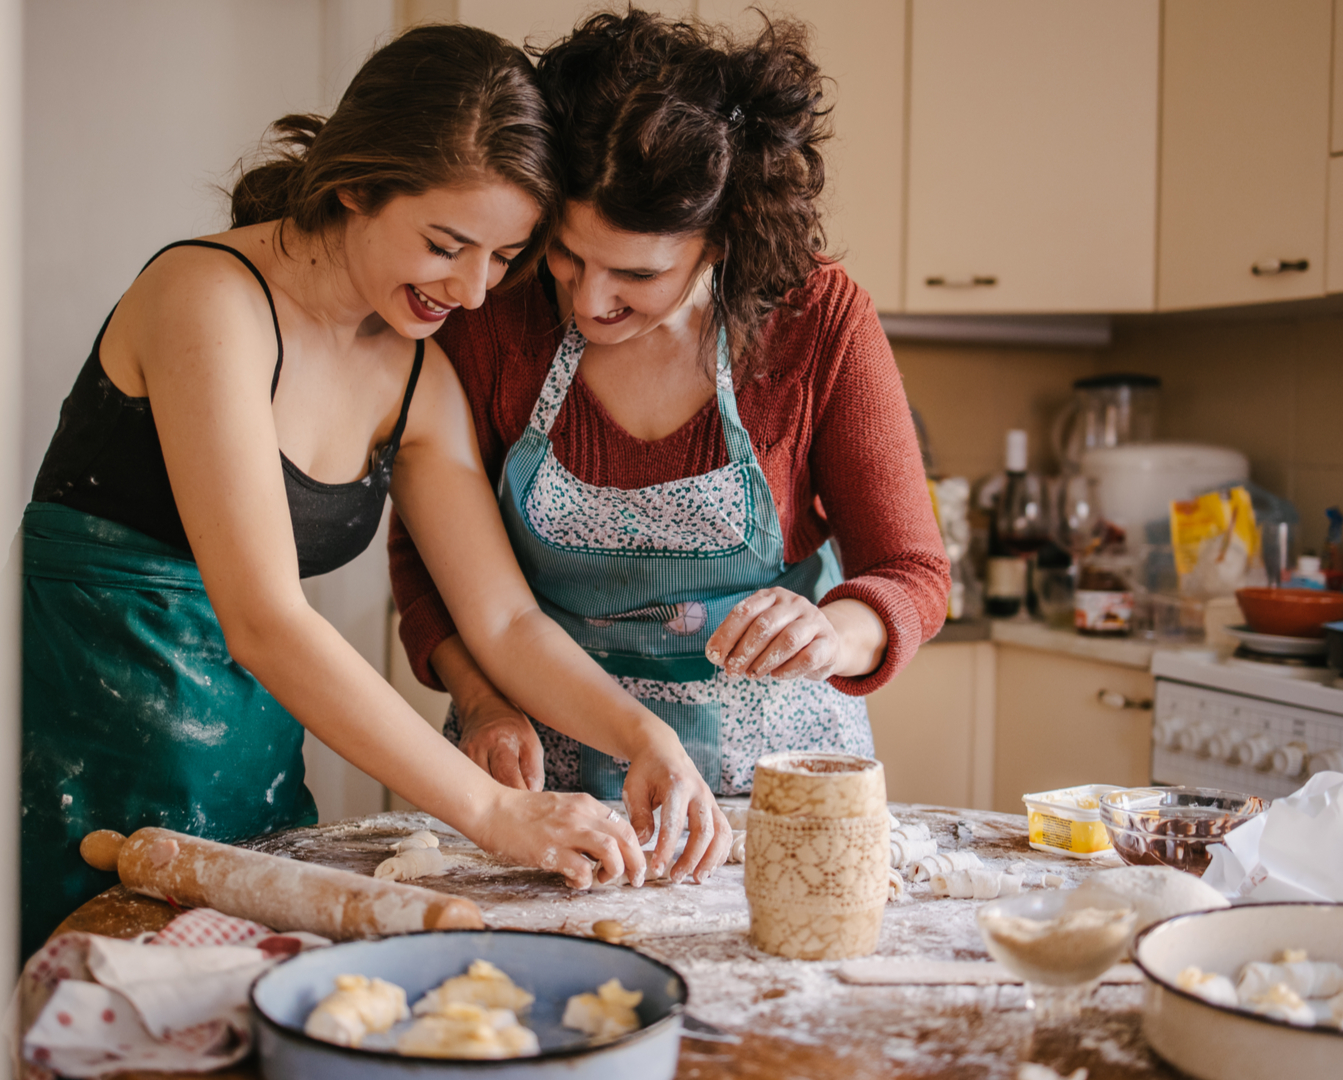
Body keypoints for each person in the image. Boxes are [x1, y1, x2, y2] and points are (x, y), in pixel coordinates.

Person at [19, 24, 726, 963]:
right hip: (84, 760)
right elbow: (266, 618)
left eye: (506, 257)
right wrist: (493, 811)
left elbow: (504, 620)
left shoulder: (415, 377)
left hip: (254, 771)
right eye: (446, 244)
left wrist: (646, 737)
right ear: (355, 183)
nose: (474, 291)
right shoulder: (206, 296)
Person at [388, 11, 948, 801]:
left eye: (636, 274)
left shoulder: (817, 319)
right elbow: (426, 556)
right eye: (566, 253)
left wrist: (834, 633)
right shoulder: (494, 313)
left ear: (721, 237)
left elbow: (911, 571)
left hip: (773, 783)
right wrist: (481, 703)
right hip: (541, 781)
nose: (588, 299)